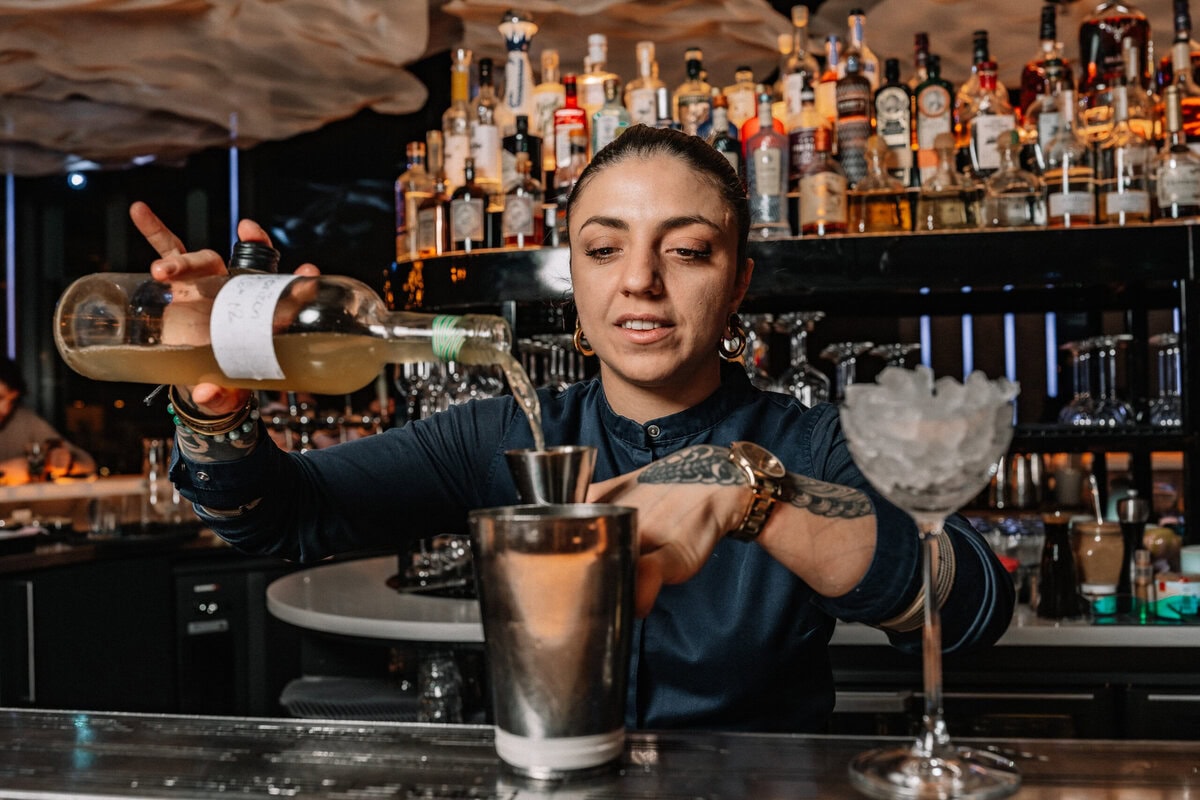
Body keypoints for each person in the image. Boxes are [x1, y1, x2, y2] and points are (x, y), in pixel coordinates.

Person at [132, 124, 1013, 733]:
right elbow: (280, 516)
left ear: (738, 282)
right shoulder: (499, 435)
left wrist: (751, 498)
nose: (639, 280)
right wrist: (213, 404)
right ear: (575, 282)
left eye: (687, 248)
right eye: (604, 248)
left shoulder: (806, 444)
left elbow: (971, 600)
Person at [0, 357, 95, 481]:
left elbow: (87, 463)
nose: (5, 409)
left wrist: (65, 462)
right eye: (0, 398)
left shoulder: (23, 420)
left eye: (12, 401)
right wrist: (5, 471)